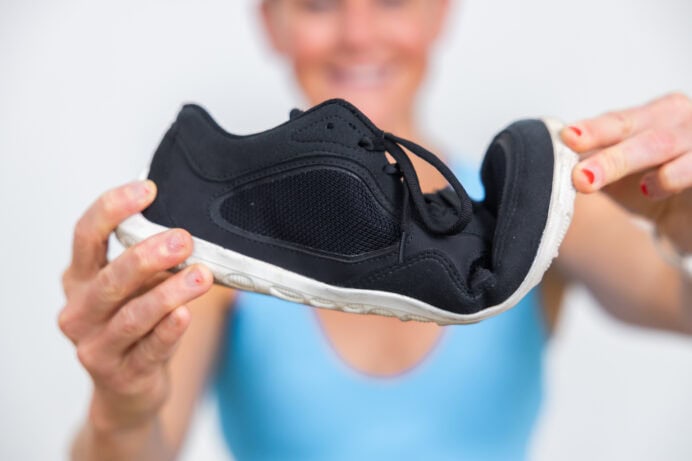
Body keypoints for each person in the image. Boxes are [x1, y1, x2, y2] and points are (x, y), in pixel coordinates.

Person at [58, 0, 692, 459]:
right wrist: (120, 410)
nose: (357, 34)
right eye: (317, 4)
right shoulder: (212, 262)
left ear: (440, 12)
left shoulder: (531, 226)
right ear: (271, 22)